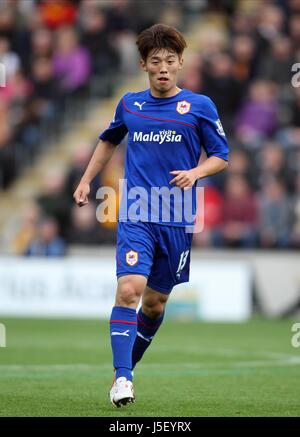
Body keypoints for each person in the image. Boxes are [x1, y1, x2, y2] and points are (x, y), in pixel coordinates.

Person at [73, 23, 229, 407]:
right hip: (137, 211)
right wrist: (85, 180)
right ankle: (123, 378)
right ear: (143, 64)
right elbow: (109, 139)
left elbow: (221, 155)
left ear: (180, 65)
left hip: (177, 217)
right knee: (129, 290)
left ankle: (123, 372)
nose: (163, 67)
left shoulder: (199, 106)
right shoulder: (130, 104)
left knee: (155, 303)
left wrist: (196, 173)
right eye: (156, 61)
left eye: (170, 61)